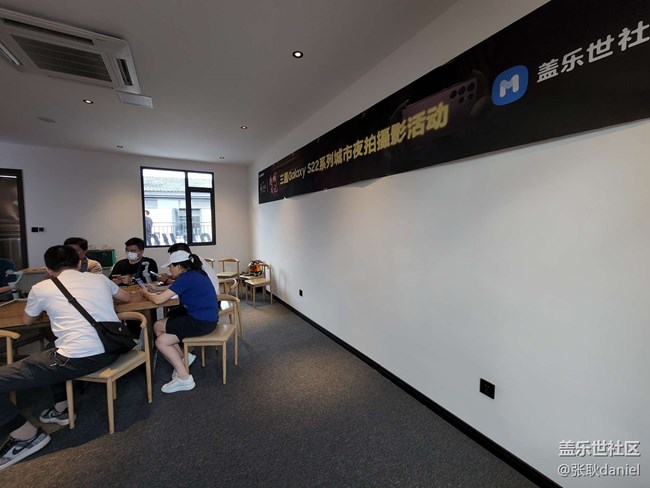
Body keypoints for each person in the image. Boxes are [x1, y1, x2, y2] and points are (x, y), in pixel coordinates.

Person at [0, 245, 131, 470]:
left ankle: (26, 437)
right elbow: (126, 297)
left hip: (79, 359)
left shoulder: (41, 287)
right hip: (112, 349)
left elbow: (27, 320)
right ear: (79, 263)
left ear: (48, 269)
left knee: (56, 353)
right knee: (54, 348)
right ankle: (61, 408)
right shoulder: (99, 279)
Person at [140, 250, 218, 393]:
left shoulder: (186, 278)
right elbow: (176, 287)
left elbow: (158, 300)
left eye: (171, 266)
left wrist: (146, 293)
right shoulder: (195, 273)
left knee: (160, 340)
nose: (169, 269)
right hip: (208, 318)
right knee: (159, 327)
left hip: (200, 322)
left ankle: (184, 377)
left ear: (179, 266)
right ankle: (182, 360)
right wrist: (157, 289)